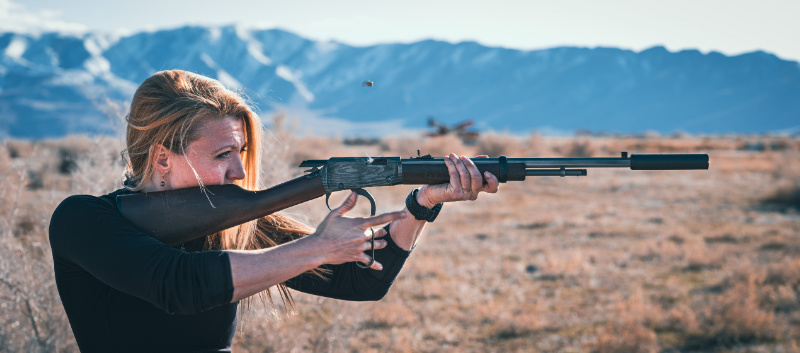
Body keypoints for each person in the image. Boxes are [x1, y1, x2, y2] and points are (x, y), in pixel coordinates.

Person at [49, 70, 500, 352]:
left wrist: (420, 205)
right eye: (223, 153)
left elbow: (362, 281)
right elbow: (177, 285)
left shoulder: (236, 223)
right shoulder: (84, 221)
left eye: (242, 151)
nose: (240, 169)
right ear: (163, 158)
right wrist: (316, 247)